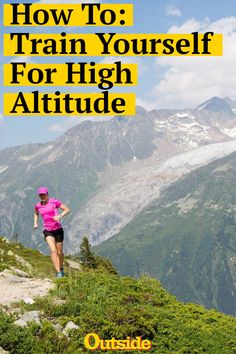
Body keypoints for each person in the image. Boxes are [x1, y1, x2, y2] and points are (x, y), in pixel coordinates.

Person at [34, 187, 70, 278]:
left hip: (58, 230)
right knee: (53, 251)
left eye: (44, 194)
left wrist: (60, 215)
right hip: (47, 230)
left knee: (59, 252)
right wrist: (35, 222)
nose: (42, 196)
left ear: (47, 194)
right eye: (40, 195)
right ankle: (58, 273)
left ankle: (61, 267)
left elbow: (67, 209)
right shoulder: (38, 205)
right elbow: (36, 213)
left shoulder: (54, 202)